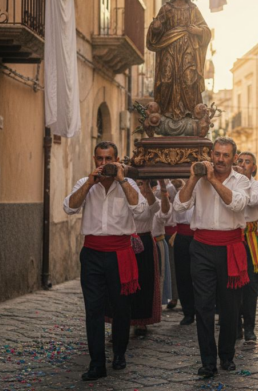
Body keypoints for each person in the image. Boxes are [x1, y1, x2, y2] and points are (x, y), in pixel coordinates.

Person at [63, 141, 146, 381]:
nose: (104, 164)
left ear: (117, 161)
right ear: (94, 160)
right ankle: (97, 363)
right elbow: (69, 207)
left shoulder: (128, 184)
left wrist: (121, 179)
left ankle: (119, 353)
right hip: (92, 253)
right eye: (100, 159)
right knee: (93, 310)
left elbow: (140, 210)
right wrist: (90, 182)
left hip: (121, 254)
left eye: (109, 159)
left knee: (121, 308)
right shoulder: (85, 183)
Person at [173, 137, 250, 378]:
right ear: (211, 154)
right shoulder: (198, 179)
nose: (220, 159)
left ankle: (226, 356)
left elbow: (236, 204)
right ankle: (208, 361)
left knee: (229, 308)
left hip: (230, 248)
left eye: (226, 155)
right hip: (202, 248)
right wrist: (194, 178)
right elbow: (179, 207)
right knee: (203, 307)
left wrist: (213, 180)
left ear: (234, 158)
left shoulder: (242, 181)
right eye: (216, 154)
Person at [147, 0, 211, 119]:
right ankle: (167, 112)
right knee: (167, 79)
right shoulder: (166, 8)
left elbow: (206, 30)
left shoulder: (193, 10)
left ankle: (188, 113)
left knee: (189, 79)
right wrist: (156, 28)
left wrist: (198, 31)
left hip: (188, 50)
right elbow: (157, 29)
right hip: (169, 48)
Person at [109, 179, 162, 337]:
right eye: (137, 183)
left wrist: (148, 190)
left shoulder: (149, 201)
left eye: (141, 183)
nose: (139, 187)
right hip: (124, 242)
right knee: (121, 284)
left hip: (143, 242)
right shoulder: (123, 198)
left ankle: (141, 321)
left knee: (144, 283)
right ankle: (118, 323)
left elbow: (155, 207)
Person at [236, 152, 258, 342]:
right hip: (233, 237)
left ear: (253, 167)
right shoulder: (229, 183)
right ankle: (234, 325)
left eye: (247, 162)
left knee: (250, 286)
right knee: (233, 284)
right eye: (239, 161)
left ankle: (249, 327)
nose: (243, 164)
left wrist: (241, 181)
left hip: (250, 239)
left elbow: (252, 201)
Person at [172, 180, 196, 325]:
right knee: (183, 275)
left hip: (198, 236)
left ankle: (204, 309)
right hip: (181, 237)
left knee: (201, 275)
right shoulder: (179, 194)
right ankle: (188, 312)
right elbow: (177, 209)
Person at [153, 180, 177, 310]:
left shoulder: (169, 187)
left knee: (167, 270)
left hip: (165, 232)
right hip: (153, 233)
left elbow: (166, 212)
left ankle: (171, 296)